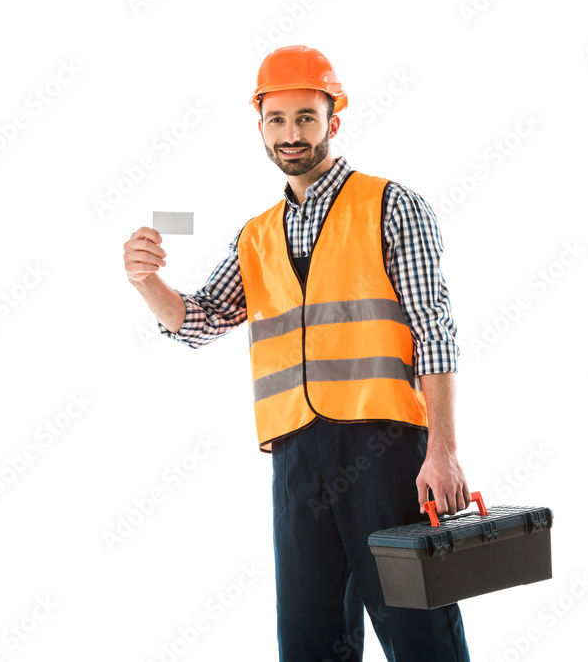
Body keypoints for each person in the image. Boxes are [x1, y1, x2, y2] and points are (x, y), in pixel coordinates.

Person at [122, 45, 472, 661]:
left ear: (332, 121)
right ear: (260, 125)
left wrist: (442, 452)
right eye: (277, 119)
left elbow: (434, 331)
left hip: (386, 451)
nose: (291, 134)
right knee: (309, 641)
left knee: (419, 632)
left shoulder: (392, 206)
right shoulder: (256, 236)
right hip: (296, 458)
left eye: (306, 117)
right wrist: (147, 282)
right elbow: (200, 318)